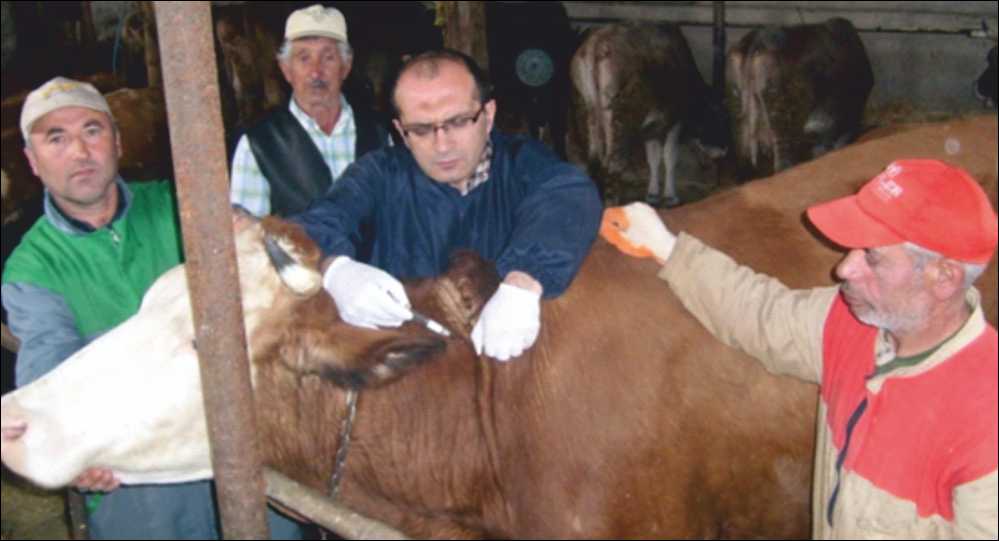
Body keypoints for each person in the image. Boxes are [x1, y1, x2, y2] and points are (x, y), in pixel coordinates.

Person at [600, 159, 998, 539]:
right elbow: (761, 314)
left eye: (871, 256)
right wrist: (669, 248)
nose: (844, 269)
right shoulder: (853, 325)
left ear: (943, 277)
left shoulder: (985, 424)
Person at [1, 77, 303, 540]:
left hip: (238, 435)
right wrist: (72, 443)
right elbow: (48, 361)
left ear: (117, 142)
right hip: (133, 466)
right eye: (55, 138)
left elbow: (262, 269)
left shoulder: (180, 206)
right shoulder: (32, 266)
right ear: (32, 161)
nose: (79, 151)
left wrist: (250, 233)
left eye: (92, 131)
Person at [294, 49, 603, 361]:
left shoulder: (523, 166)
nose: (442, 145)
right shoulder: (378, 176)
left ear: (489, 114)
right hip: (407, 372)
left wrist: (524, 282)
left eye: (457, 122)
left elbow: (570, 195)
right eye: (422, 129)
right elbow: (311, 227)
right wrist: (335, 270)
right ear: (401, 131)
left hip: (506, 369)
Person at [229, 4, 392, 217]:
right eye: (304, 58)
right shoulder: (258, 144)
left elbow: (396, 218)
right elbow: (247, 237)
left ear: (346, 66)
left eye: (328, 57)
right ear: (286, 69)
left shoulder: (378, 133)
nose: (316, 72)